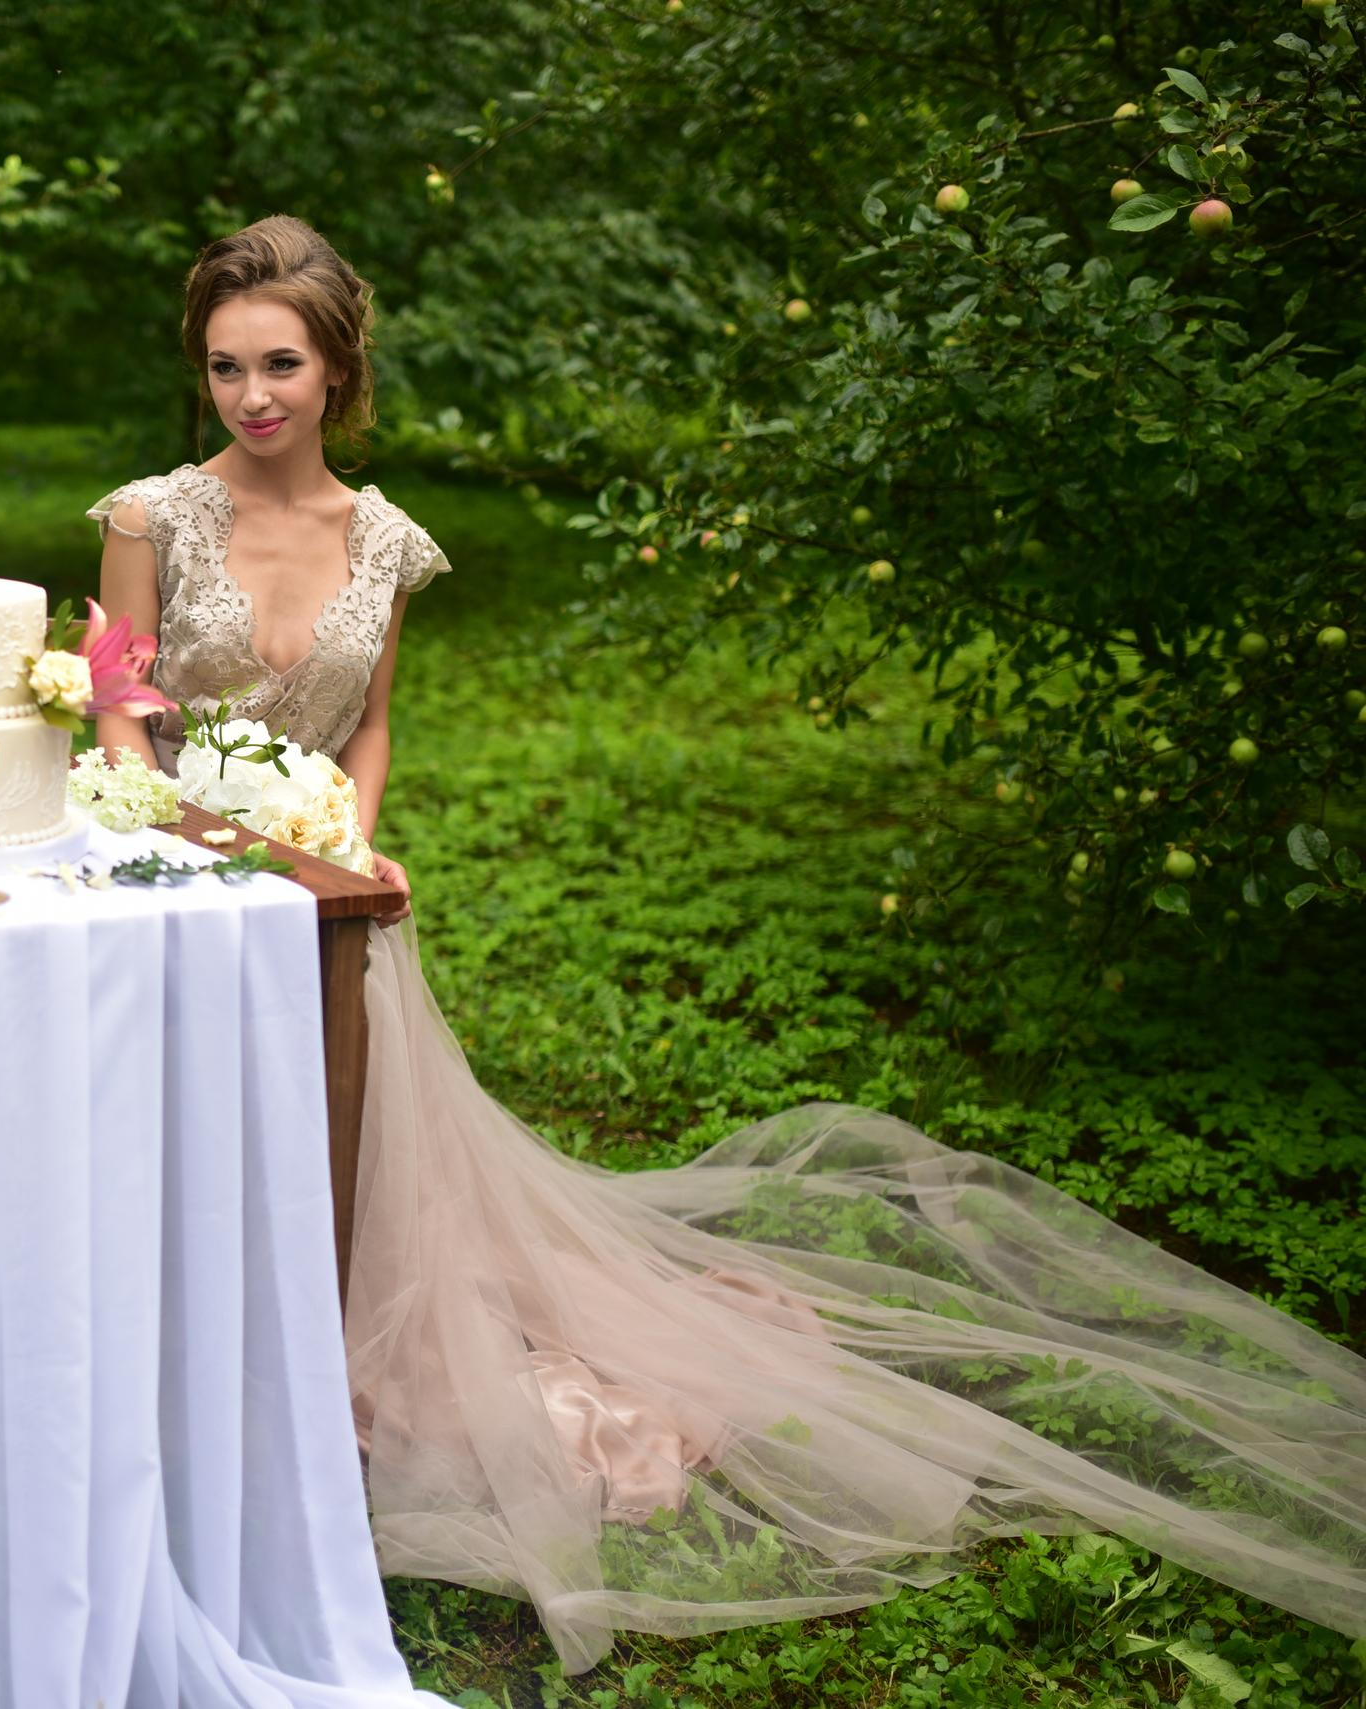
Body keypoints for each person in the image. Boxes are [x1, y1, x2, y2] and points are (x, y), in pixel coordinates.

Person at [93, 214, 1366, 1675]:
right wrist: (177, 817)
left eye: (280, 365)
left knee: (336, 1155)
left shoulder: (385, 541)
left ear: (337, 368)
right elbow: (117, 695)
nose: (251, 396)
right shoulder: (152, 519)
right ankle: (166, 1368)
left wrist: (344, 838)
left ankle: (296, 1384)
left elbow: (368, 723)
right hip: (164, 872)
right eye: (223, 367)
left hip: (331, 892)